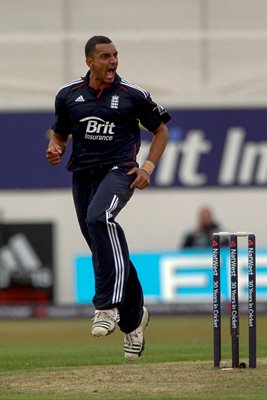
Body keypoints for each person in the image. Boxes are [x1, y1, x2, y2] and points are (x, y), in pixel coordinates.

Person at [46, 35, 171, 360]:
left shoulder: (133, 95)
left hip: (119, 170)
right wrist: (55, 146)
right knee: (102, 245)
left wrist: (148, 166)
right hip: (83, 174)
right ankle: (133, 322)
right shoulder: (68, 95)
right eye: (105, 56)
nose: (113, 61)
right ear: (89, 61)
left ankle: (105, 306)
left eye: (115, 55)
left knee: (99, 218)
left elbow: (161, 130)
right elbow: (60, 132)